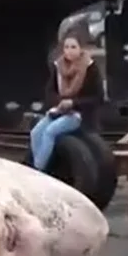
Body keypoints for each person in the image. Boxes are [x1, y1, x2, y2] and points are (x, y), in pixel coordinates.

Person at [29, 35, 104, 172]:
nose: (69, 51)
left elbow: (98, 97)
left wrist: (73, 103)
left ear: (81, 49)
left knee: (50, 132)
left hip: (80, 114)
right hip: (59, 110)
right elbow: (49, 92)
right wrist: (59, 102)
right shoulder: (58, 67)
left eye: (73, 47)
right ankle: (40, 164)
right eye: (66, 47)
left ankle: (38, 170)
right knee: (35, 132)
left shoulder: (90, 68)